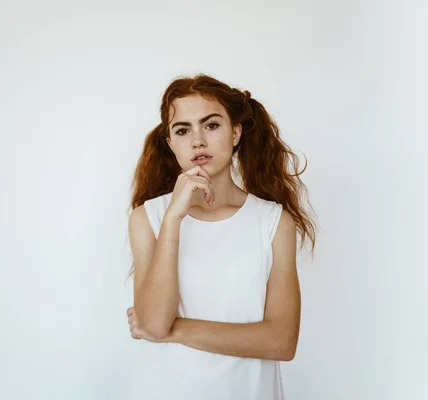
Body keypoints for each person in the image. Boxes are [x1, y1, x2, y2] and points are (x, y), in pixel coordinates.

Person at [125, 73, 317, 400]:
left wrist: (177, 329)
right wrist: (173, 218)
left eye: (211, 125)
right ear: (170, 143)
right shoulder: (149, 218)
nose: (197, 140)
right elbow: (155, 323)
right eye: (182, 130)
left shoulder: (272, 222)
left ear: (236, 133)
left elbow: (281, 342)